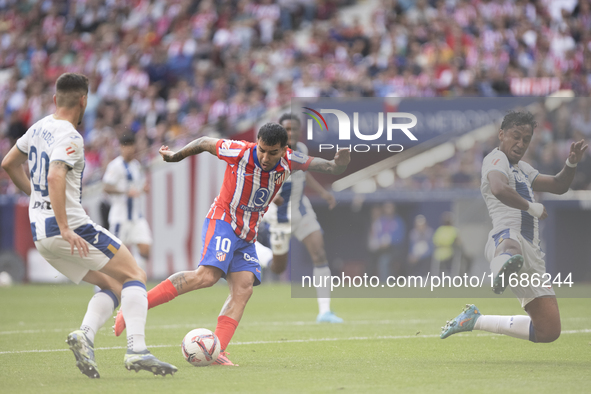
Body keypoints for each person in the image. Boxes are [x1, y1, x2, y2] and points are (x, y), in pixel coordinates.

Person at [113, 123, 350, 365]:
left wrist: (340, 162)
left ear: (283, 149)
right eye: (262, 150)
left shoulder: (291, 159)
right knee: (206, 277)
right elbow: (204, 141)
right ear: (256, 143)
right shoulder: (240, 151)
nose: (266, 157)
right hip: (224, 219)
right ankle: (132, 308)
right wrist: (176, 155)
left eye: (273, 152)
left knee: (244, 288)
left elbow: (330, 166)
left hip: (248, 233)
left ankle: (217, 352)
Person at [0, 73, 177, 378]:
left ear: (56, 99)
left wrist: (36, 198)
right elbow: (55, 176)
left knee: (110, 282)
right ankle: (137, 350)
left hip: (41, 234)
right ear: (84, 101)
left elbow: (8, 164)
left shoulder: (39, 127)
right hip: (67, 229)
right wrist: (66, 226)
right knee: (135, 274)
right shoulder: (71, 136)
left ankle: (85, 335)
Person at [440, 111, 588, 343]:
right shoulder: (495, 159)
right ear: (501, 134)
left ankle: (474, 320)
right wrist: (532, 207)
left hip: (532, 254)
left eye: (526, 139)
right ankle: (501, 264)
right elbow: (498, 188)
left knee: (548, 331)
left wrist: (571, 162)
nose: (520, 144)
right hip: (506, 236)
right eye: (515, 136)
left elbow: (559, 185)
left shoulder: (523, 169)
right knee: (511, 246)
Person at [262, 114, 343, 323]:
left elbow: (304, 173)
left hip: (301, 211)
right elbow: (258, 179)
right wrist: (272, 195)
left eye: (294, 129)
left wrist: (322, 193)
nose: (291, 133)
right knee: (278, 267)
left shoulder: (302, 150)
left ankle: (324, 312)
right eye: (287, 129)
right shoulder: (270, 152)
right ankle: (258, 254)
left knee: (319, 253)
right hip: (278, 217)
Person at [103, 134, 152, 265]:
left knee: (145, 248)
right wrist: (125, 192)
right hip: (120, 217)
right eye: (125, 146)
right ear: (121, 147)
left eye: (131, 145)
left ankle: (135, 281)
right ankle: (102, 284)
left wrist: (143, 189)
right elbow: (106, 187)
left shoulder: (136, 165)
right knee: (113, 255)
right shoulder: (115, 165)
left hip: (136, 216)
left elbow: (136, 187)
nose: (129, 149)